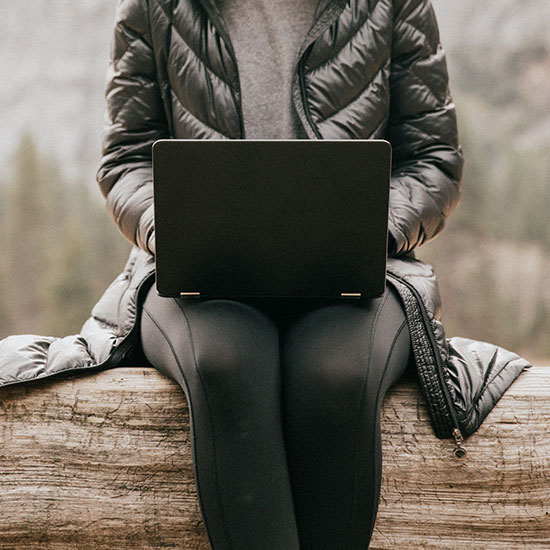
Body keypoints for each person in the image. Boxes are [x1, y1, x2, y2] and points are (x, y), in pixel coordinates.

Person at [0, 0, 530, 549]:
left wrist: (365, 232)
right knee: (224, 361)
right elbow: (126, 158)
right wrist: (177, 230)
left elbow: (434, 159)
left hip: (360, 268)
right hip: (199, 274)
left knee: (337, 374)